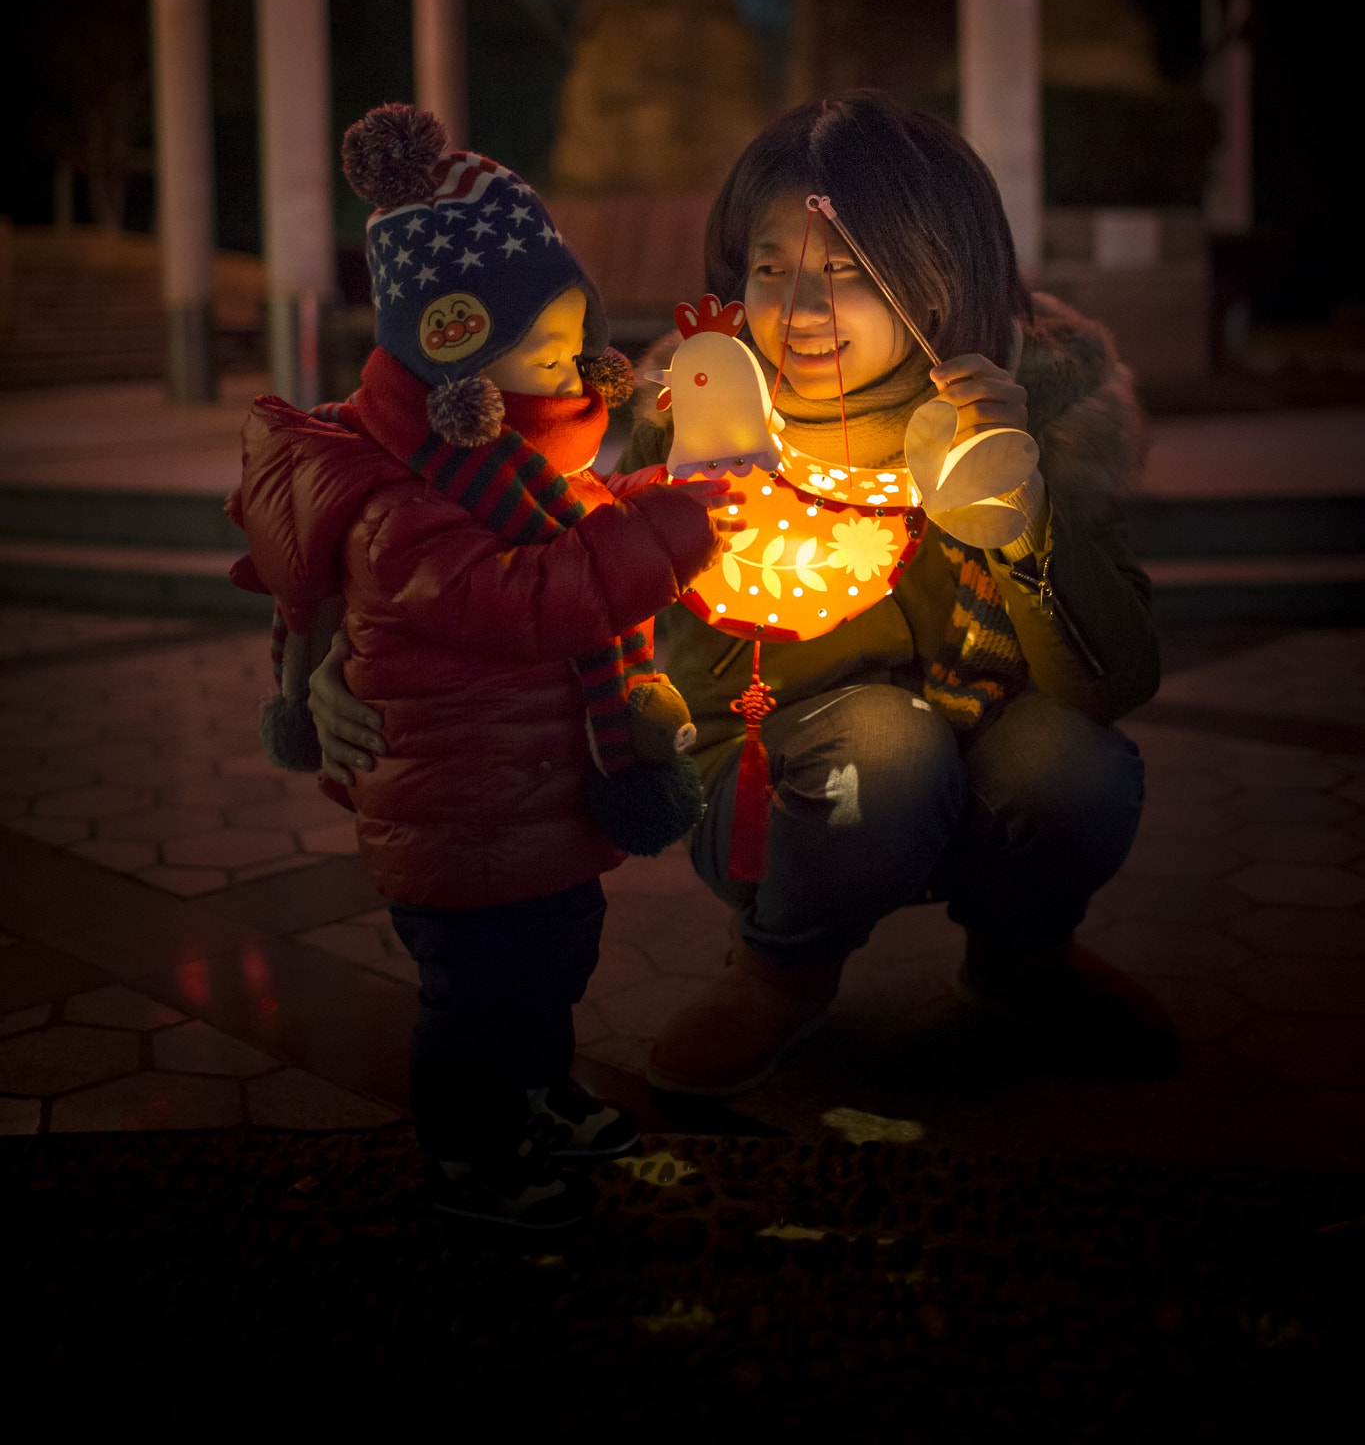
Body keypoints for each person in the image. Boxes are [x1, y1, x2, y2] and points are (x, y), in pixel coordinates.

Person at [310, 93, 1178, 1103]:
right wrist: (352, 658)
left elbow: (1115, 676)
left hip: (988, 771)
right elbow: (536, 561)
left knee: (1079, 765)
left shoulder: (1021, 420)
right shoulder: (702, 417)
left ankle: (1024, 961)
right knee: (881, 744)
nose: (800, 309)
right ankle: (780, 969)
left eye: (850, 271)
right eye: (773, 267)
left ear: (939, 280)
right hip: (781, 790)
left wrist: (1022, 517)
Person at [231, 105, 722, 1227]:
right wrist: (673, 532)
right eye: (530, 323)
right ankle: (470, 1147)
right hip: (456, 817)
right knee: (478, 997)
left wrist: (644, 507)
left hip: (534, 803)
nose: (563, 340)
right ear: (449, 337)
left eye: (568, 314)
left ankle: (538, 1095)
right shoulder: (411, 504)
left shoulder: (525, 464)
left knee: (554, 959)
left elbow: (577, 536)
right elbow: (527, 599)